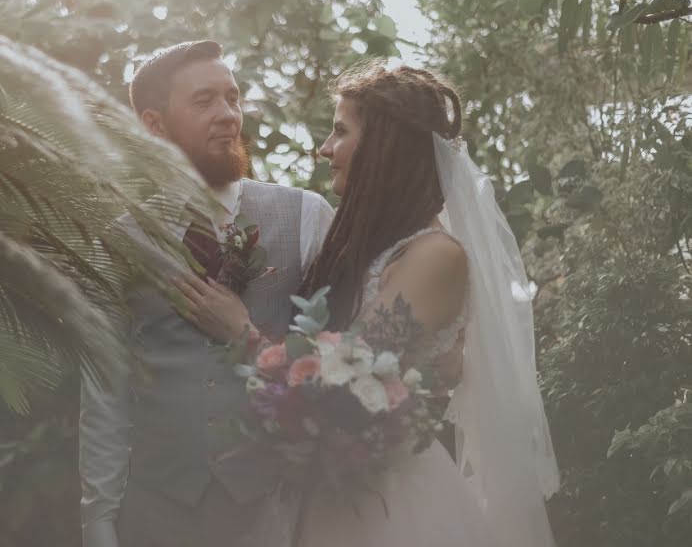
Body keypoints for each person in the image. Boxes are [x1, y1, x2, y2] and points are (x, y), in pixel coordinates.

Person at [176, 60, 560, 547]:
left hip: (394, 510)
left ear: (385, 145)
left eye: (340, 131)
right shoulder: (366, 248)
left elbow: (349, 394)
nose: (324, 149)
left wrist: (241, 331)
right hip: (333, 496)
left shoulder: (436, 257)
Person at [78, 40, 335, 547]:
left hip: (277, 514)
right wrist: (98, 522)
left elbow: (341, 361)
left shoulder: (308, 216)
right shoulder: (118, 240)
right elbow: (104, 395)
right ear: (154, 125)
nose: (228, 115)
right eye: (204, 101)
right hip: (156, 516)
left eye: (232, 97)